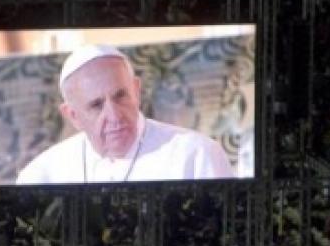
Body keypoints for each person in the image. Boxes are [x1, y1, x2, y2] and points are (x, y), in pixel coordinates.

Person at [15, 44, 234, 184]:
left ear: (136, 91)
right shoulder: (40, 176)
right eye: (96, 105)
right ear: (73, 115)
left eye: (120, 96)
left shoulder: (196, 155)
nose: (114, 115)